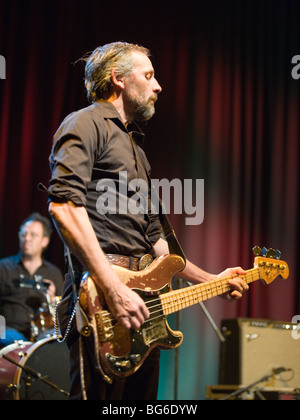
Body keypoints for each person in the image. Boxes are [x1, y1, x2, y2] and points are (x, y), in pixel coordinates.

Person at [47, 42, 249, 400]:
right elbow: (63, 207)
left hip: (144, 300)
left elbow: (158, 244)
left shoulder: (136, 150)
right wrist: (113, 287)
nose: (158, 87)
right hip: (102, 296)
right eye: (149, 75)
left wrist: (212, 280)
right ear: (118, 79)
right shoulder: (85, 123)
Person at [0, 213, 64, 347]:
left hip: (42, 332)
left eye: (33, 235)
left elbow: (61, 314)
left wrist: (52, 301)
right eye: (23, 234)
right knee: (15, 341)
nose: (27, 238)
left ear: (45, 241)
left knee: (56, 345)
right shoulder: (4, 267)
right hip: (9, 331)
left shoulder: (53, 273)